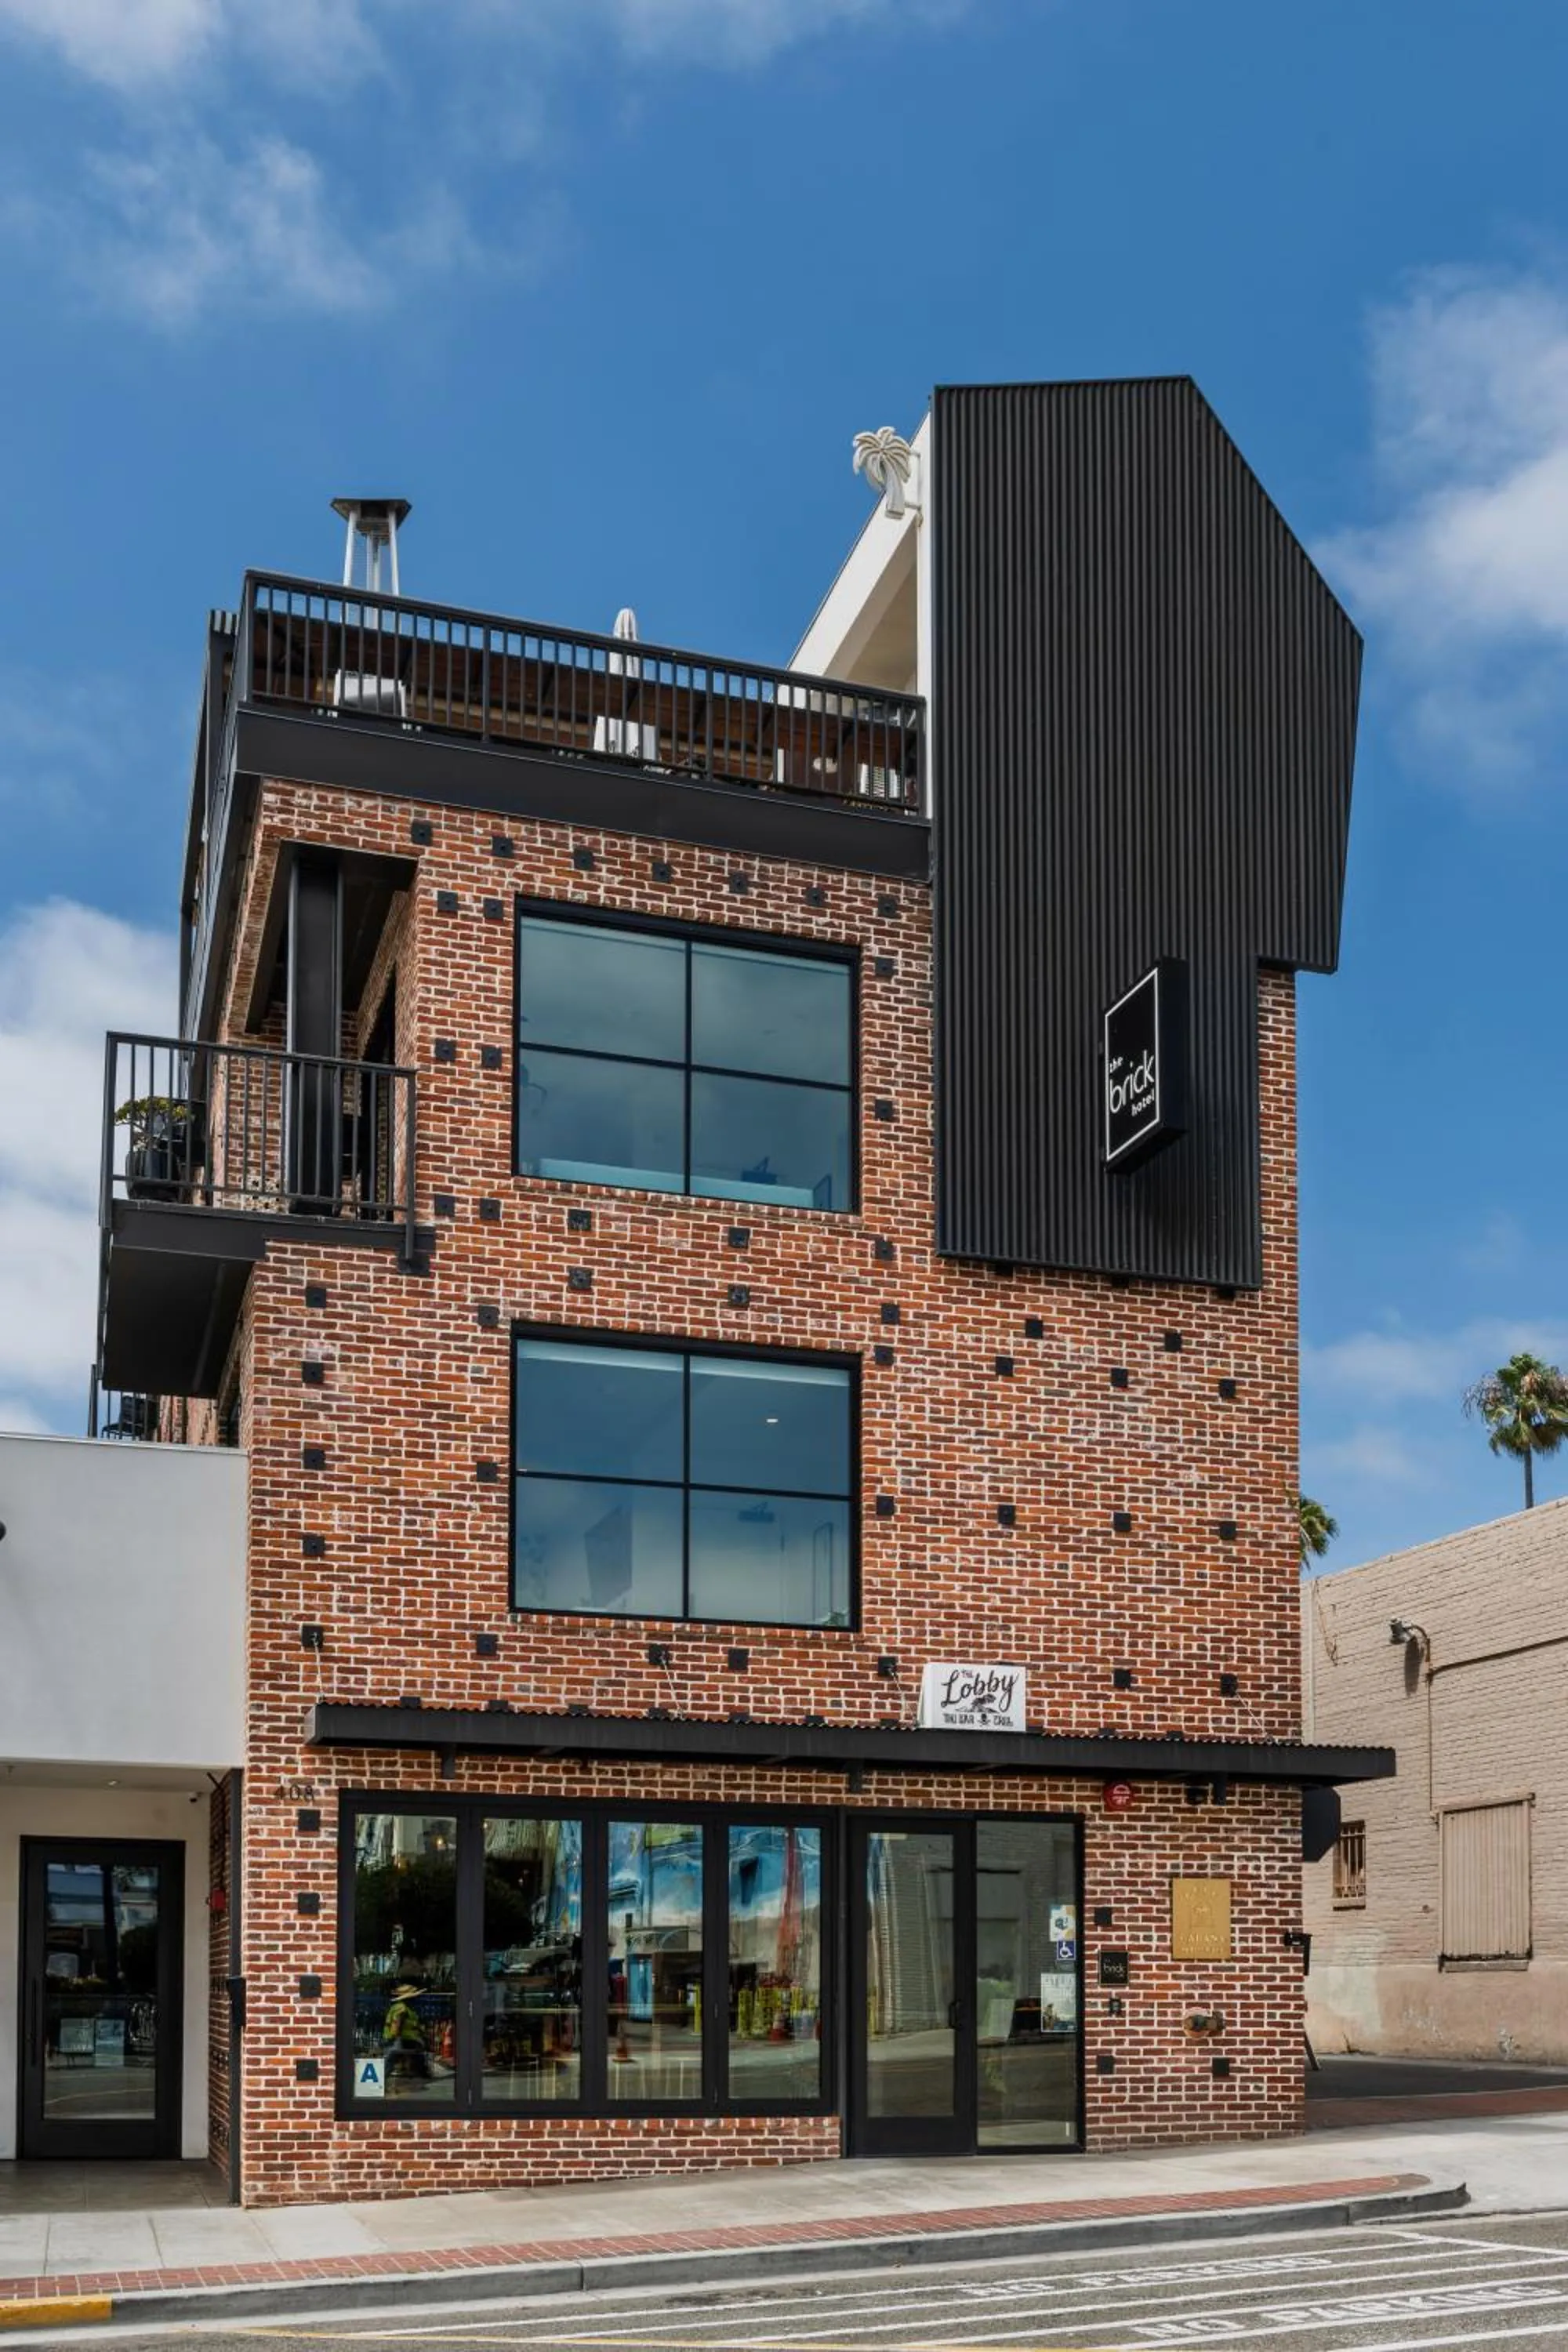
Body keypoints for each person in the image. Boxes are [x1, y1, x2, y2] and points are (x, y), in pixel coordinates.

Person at [382, 1973, 430, 2086]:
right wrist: (397, 2039)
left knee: (393, 2059)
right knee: (393, 2059)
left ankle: (420, 2072)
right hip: (403, 2039)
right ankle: (381, 2079)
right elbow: (397, 2024)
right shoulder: (402, 2008)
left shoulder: (402, 2007)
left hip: (404, 2039)